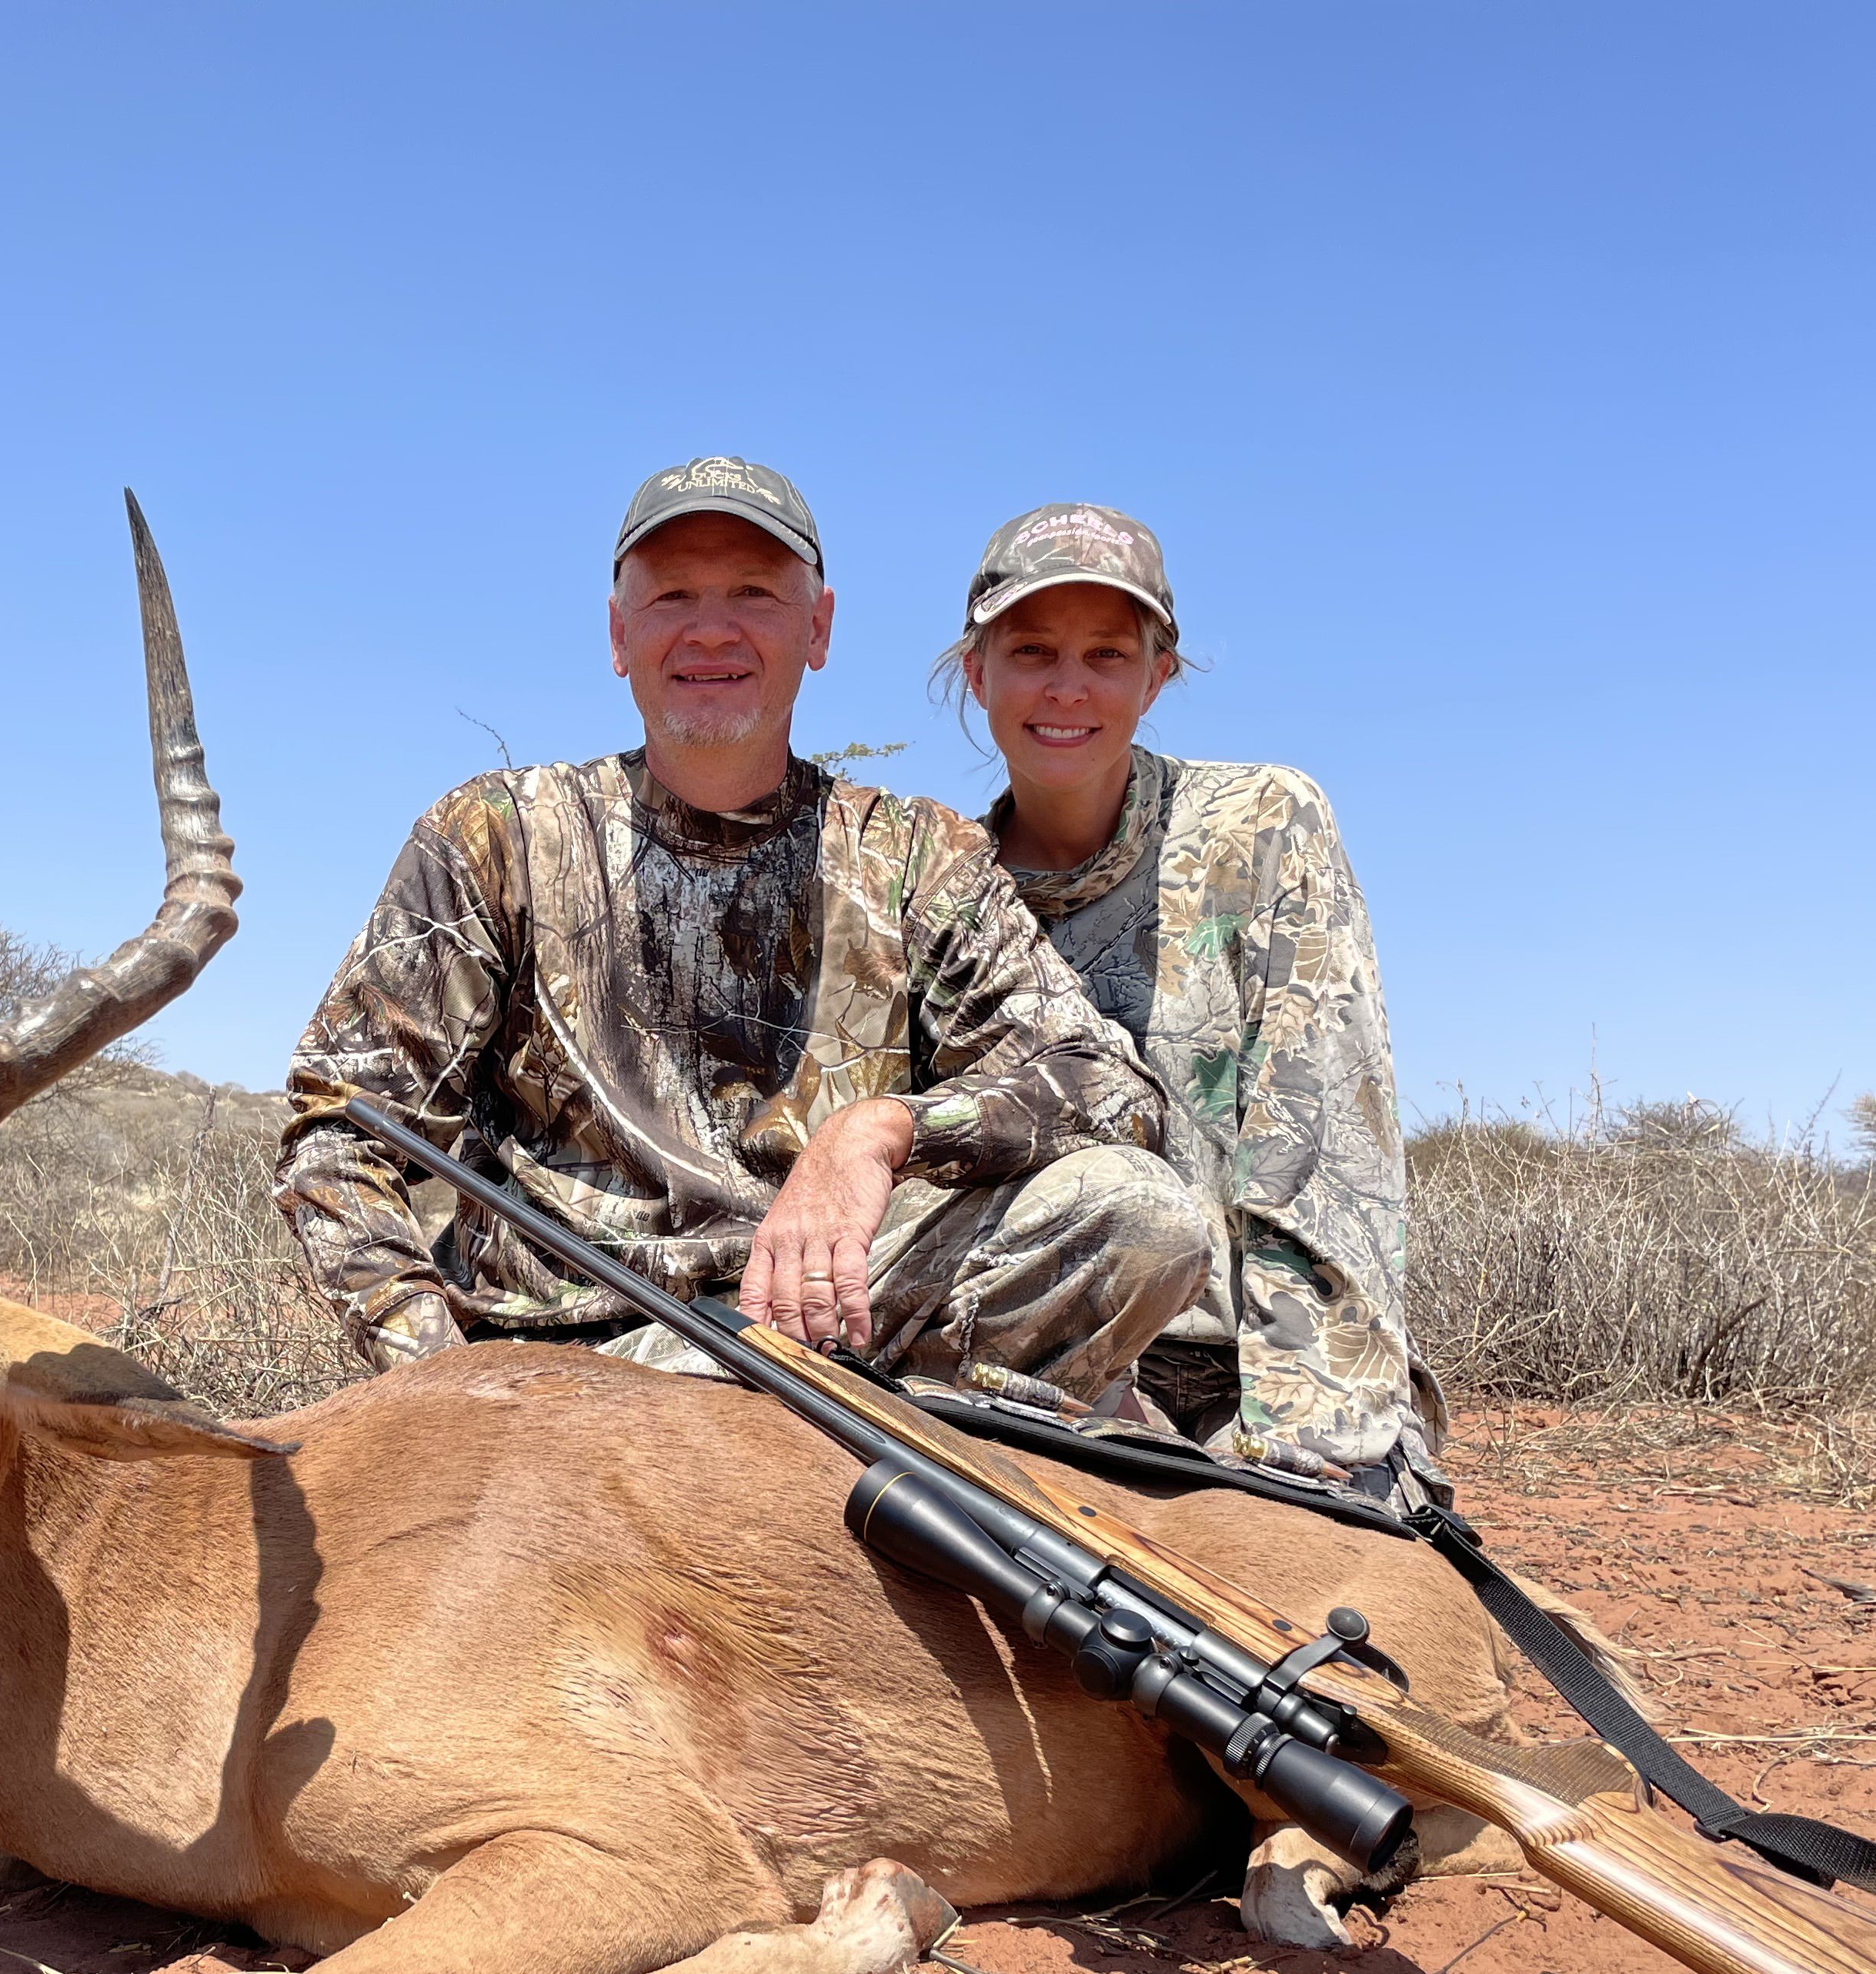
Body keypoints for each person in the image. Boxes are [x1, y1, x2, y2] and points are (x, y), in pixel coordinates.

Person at [278, 456, 1207, 1405]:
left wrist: (880, 1133)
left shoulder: (917, 853)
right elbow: (339, 1135)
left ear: (818, 629)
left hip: (824, 1328)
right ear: (618, 634)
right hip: (558, 1382)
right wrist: (445, 1388)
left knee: (1140, 1216)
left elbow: (1107, 1088)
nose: (711, 629)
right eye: (674, 593)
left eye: (755, 595)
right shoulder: (496, 835)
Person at [943, 503, 1443, 1499]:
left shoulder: (1262, 824)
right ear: (977, 672)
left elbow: (1323, 1131)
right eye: (1032, 650)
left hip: (1247, 1371)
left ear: (1158, 672)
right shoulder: (938, 886)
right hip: (1030, 1363)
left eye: (1107, 655)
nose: (1067, 688)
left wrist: (1312, 1433)